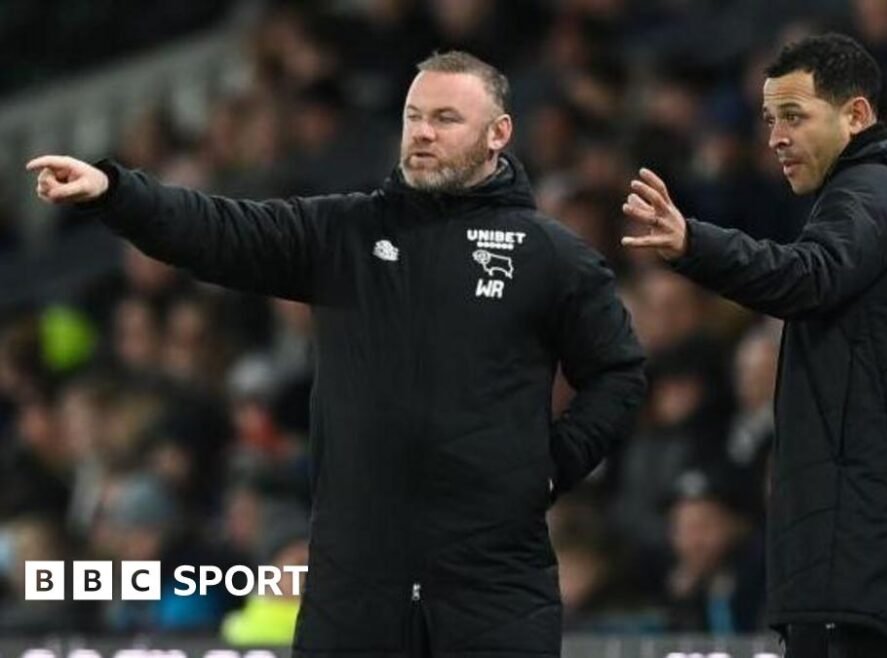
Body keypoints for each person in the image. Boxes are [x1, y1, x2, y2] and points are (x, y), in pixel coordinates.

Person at [27, 50, 646, 658]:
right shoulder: (345, 233)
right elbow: (218, 230)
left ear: (498, 133)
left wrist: (550, 464)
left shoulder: (550, 255)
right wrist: (115, 192)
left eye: (446, 119)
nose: (423, 133)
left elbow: (618, 372)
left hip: (494, 586)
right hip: (353, 586)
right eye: (413, 116)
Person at [621, 33, 887, 658]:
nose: (775, 138)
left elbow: (810, 275)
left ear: (857, 115)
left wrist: (693, 243)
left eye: (794, 116)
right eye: (768, 120)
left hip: (874, 585)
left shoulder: (873, 185)